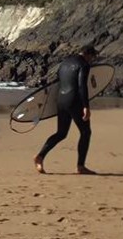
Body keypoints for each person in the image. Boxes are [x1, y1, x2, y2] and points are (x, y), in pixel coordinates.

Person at [34, 44, 99, 175]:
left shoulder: (64, 63)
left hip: (61, 100)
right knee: (86, 132)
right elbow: (82, 86)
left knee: (61, 133)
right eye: (93, 57)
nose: (92, 60)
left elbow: (57, 83)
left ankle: (40, 156)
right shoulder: (84, 65)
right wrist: (86, 106)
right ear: (88, 55)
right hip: (75, 101)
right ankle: (81, 166)